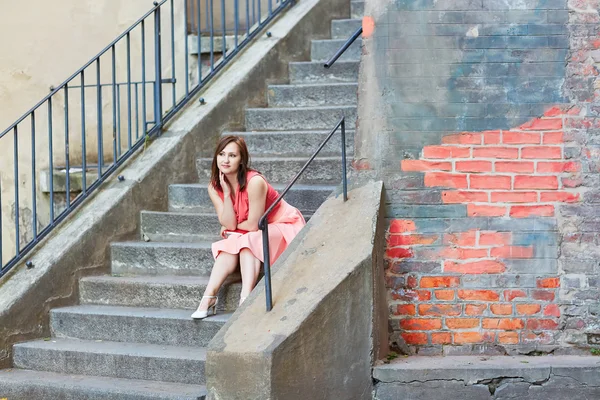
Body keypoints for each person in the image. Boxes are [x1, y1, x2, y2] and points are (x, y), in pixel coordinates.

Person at [191, 135, 306, 319]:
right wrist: (227, 194)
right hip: (251, 230)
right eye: (221, 154)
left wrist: (231, 229)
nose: (226, 160)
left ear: (241, 160)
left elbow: (253, 225)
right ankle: (208, 297)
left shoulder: (255, 182)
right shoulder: (215, 187)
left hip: (281, 224)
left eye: (232, 155)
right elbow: (229, 223)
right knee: (231, 244)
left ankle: (245, 299)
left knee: (245, 240)